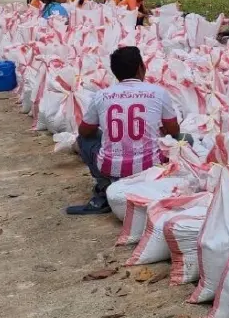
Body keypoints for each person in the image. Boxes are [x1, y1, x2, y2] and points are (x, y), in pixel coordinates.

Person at [68, 45, 180, 215]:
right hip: (150, 167)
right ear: (142, 67)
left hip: (110, 168)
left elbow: (84, 132)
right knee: (187, 140)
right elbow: (173, 130)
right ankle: (158, 181)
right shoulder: (158, 92)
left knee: (84, 139)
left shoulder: (102, 95)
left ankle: (105, 186)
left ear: (114, 72)